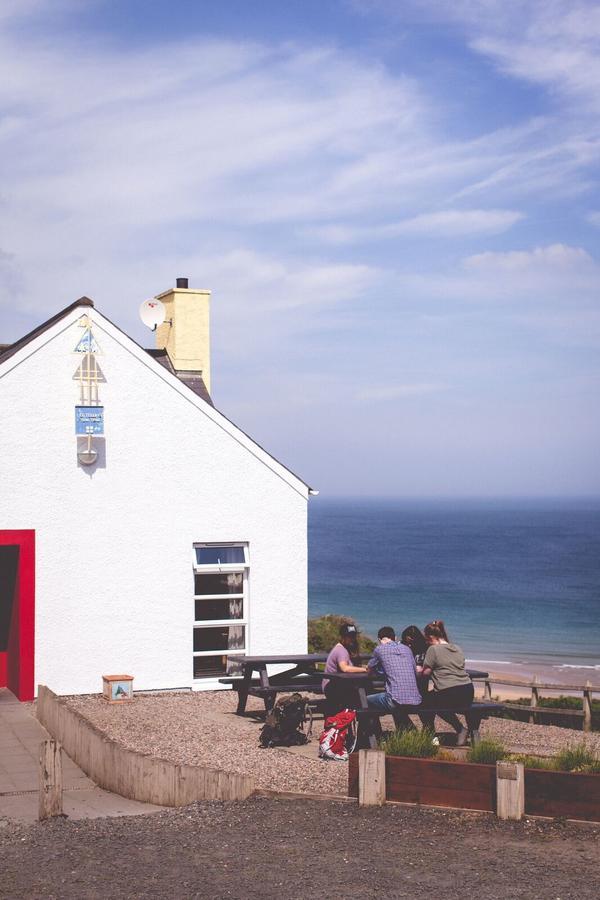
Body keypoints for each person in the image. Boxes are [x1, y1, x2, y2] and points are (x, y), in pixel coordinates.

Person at [419, 621, 474, 746]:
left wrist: (420, 669)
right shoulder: (457, 648)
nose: (427, 642)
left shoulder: (433, 649)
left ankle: (434, 734)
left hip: (449, 692)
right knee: (432, 700)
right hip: (468, 691)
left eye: (427, 640)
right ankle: (459, 730)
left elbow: (426, 673)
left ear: (431, 637)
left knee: (424, 703)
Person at [365, 626, 422, 732]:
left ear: (379, 640)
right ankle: (406, 733)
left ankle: (374, 734)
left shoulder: (379, 649)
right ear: (395, 638)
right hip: (416, 699)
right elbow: (414, 671)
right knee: (396, 704)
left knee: (366, 700)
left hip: (395, 700)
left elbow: (369, 670)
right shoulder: (407, 649)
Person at [322, 623, 368, 716]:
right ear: (343, 636)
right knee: (364, 697)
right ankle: (366, 724)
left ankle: (365, 724)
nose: (352, 638)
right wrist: (364, 669)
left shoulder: (344, 649)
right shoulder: (341, 650)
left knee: (364, 694)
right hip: (333, 688)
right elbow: (345, 668)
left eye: (354, 636)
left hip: (336, 686)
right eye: (349, 636)